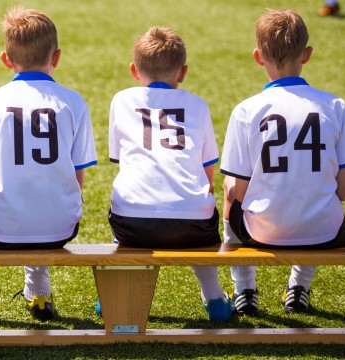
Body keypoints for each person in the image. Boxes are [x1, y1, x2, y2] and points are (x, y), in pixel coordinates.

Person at [221, 9, 345, 315]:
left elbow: (239, 192)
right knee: (317, 190)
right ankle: (299, 287)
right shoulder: (335, 105)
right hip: (325, 233)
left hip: (262, 231)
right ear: (307, 54)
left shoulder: (246, 110)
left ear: (259, 57)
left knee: (228, 186)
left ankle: (244, 289)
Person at [0, 6, 97, 324]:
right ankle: (39, 292)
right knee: (43, 190)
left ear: (6, 59)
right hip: (61, 228)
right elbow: (78, 179)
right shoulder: (73, 101)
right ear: (57, 56)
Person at [106, 26, 232, 322]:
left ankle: (115, 295)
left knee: (126, 204)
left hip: (131, 221)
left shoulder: (122, 100)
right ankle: (214, 297)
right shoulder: (197, 104)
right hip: (193, 224)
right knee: (200, 218)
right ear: (183, 72)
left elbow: (120, 159)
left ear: (134, 71)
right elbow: (207, 171)